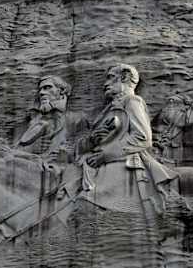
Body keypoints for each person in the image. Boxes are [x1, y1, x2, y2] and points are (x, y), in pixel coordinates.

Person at [75, 64, 177, 216]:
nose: (105, 84)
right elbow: (93, 140)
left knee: (86, 204)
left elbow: (143, 137)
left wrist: (106, 155)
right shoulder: (109, 109)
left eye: (110, 78)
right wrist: (92, 140)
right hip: (95, 165)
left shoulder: (132, 101)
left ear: (124, 77)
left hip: (122, 162)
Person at [15, 75, 87, 162]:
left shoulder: (76, 119)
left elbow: (83, 151)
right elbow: (18, 151)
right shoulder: (35, 122)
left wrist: (67, 155)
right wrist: (41, 158)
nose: (41, 93)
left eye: (47, 88)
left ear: (61, 91)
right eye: (40, 89)